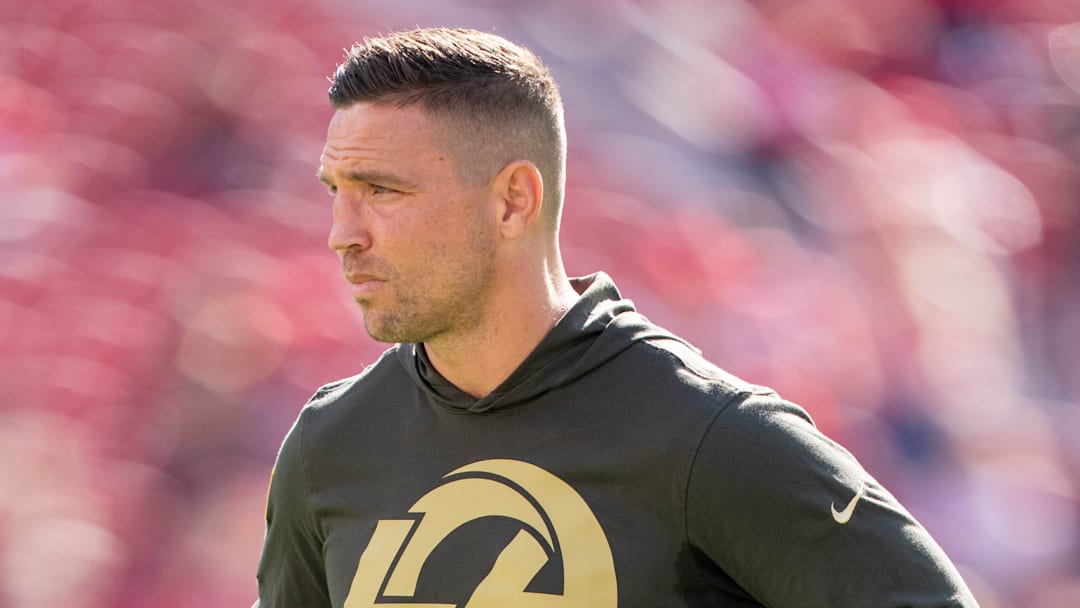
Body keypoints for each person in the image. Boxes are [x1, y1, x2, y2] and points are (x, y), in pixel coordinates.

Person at [254, 27, 980, 607]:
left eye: (382, 191)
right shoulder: (332, 443)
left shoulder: (712, 436)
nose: (342, 232)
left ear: (512, 202)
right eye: (336, 190)